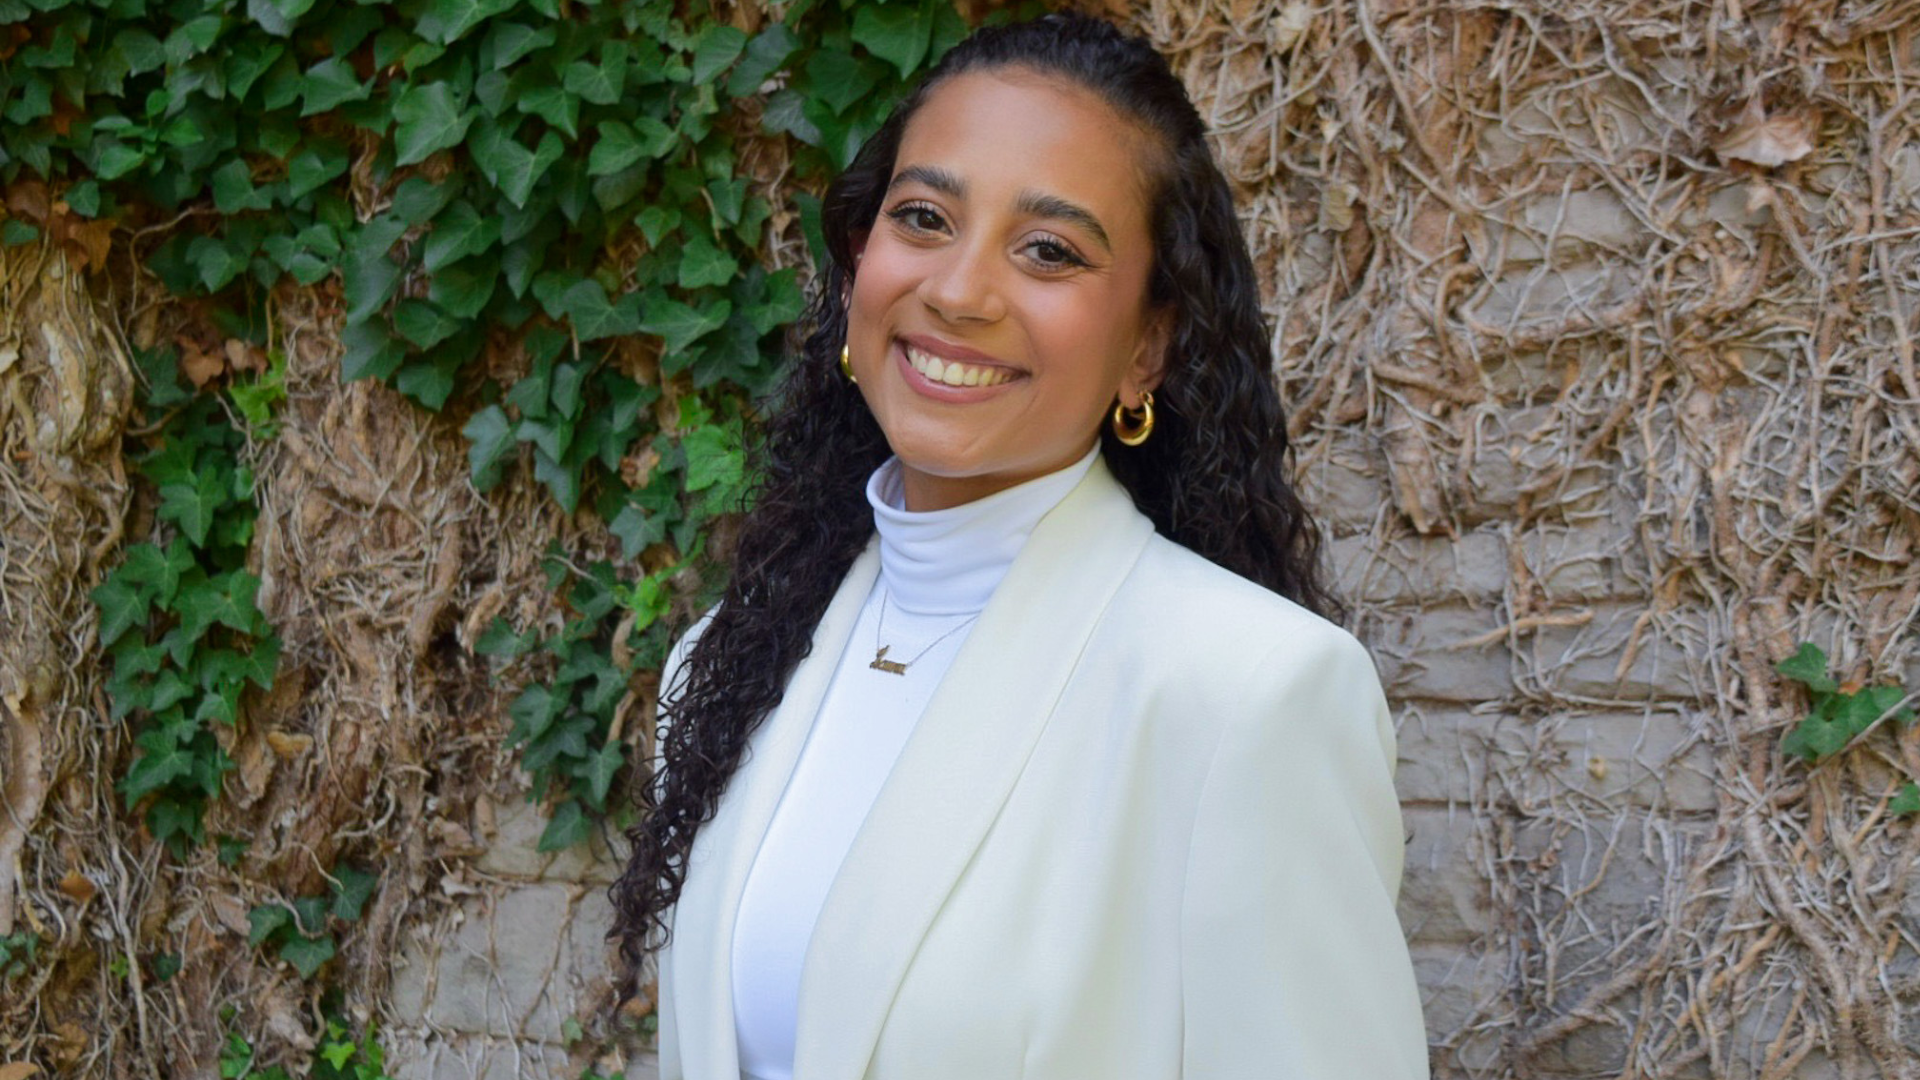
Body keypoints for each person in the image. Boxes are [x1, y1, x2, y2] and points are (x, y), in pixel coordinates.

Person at [611, 12, 1430, 1079]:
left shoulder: (1246, 696)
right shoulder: (727, 662)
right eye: (923, 218)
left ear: (1148, 344)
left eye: (1049, 250)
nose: (958, 291)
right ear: (860, 264)